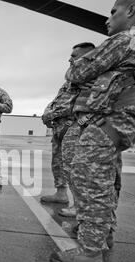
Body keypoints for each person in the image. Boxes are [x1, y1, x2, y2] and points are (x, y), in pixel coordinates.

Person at [50, 0, 135, 262]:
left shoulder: (126, 39)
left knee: (89, 180)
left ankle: (90, 251)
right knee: (102, 181)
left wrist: (88, 72)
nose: (107, 19)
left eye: (113, 12)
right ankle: (102, 236)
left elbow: (77, 72)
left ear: (131, 10)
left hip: (109, 120)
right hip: (116, 121)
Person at [41, 43, 96, 210]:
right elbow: (57, 100)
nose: (69, 59)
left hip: (74, 127)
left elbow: (80, 105)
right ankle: (61, 193)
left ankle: (78, 205)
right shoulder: (70, 81)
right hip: (59, 128)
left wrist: (52, 114)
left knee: (74, 167)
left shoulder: (91, 79)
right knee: (58, 163)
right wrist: (47, 112)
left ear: (87, 56)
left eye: (74, 56)